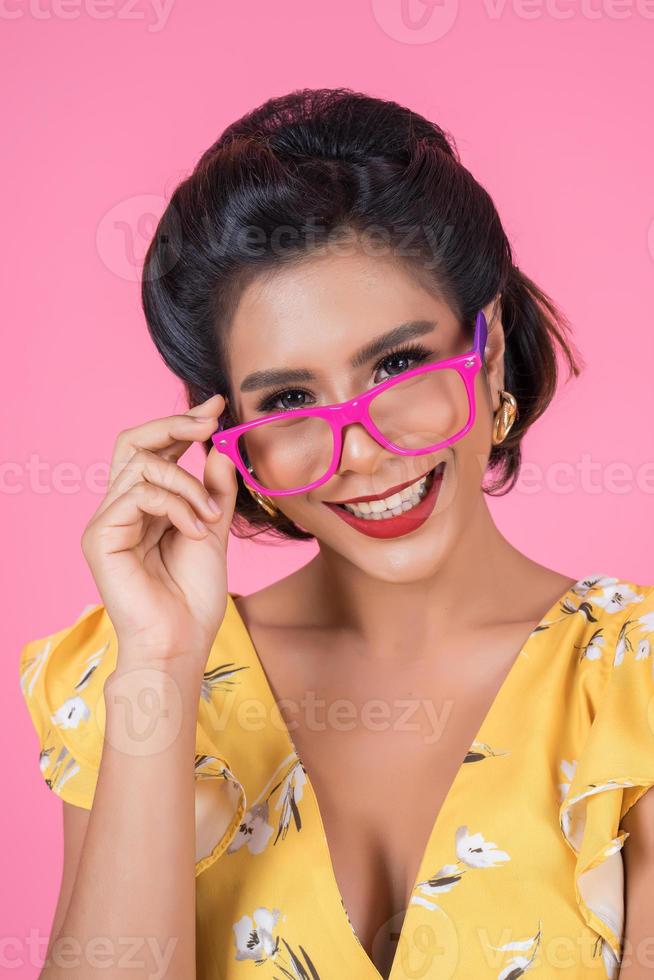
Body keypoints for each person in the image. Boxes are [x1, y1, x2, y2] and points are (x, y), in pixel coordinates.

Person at [19, 88, 654, 980]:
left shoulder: (634, 684)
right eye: (287, 401)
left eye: (399, 363)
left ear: (493, 346)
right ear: (224, 437)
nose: (361, 450)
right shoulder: (136, 683)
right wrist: (161, 664)